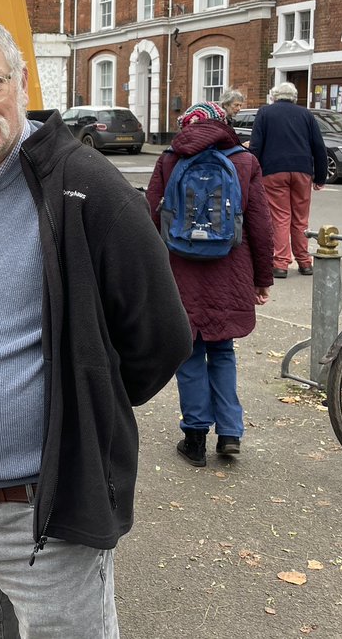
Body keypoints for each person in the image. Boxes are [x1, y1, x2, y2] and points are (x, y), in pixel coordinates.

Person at [0, 12, 191, 638]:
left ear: (22, 82)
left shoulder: (85, 185)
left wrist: (83, 405)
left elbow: (163, 335)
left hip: (47, 516)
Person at [146, 102, 275, 466]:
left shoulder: (170, 160)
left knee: (188, 354)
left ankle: (195, 437)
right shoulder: (244, 161)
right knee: (222, 351)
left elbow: (149, 215)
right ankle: (231, 433)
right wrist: (262, 279)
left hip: (180, 271)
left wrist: (150, 277)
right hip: (230, 270)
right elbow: (261, 226)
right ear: (224, 124)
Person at [249, 82, 328, 278]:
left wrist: (251, 172)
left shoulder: (265, 113)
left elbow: (256, 145)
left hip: (273, 171)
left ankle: (281, 263)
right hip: (302, 170)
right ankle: (304, 261)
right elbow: (319, 146)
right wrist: (320, 176)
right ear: (294, 97)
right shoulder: (306, 115)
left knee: (280, 217)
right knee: (301, 218)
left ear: (274, 97)